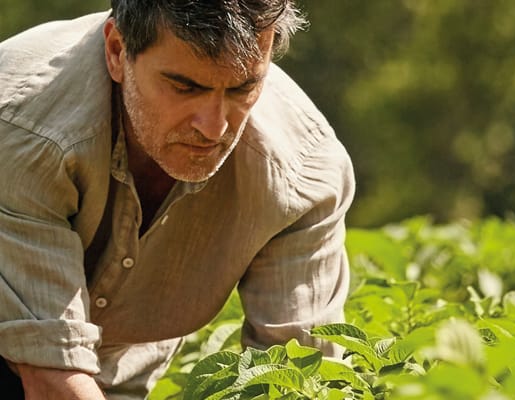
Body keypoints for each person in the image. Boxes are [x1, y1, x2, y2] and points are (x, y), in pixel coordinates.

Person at [0, 1, 355, 398]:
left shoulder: (302, 173)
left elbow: (293, 376)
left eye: (243, 88)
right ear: (118, 51)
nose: (214, 126)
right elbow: (52, 378)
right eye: (185, 87)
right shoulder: (23, 126)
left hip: (115, 374)